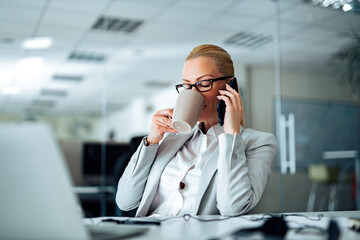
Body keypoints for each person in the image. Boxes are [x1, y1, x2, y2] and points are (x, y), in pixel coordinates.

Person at [116, 44, 277, 217]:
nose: (194, 92)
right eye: (187, 86)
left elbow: (232, 208)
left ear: (229, 86)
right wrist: (152, 141)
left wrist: (231, 134)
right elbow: (125, 201)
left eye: (203, 83)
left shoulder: (258, 143)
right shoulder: (170, 138)